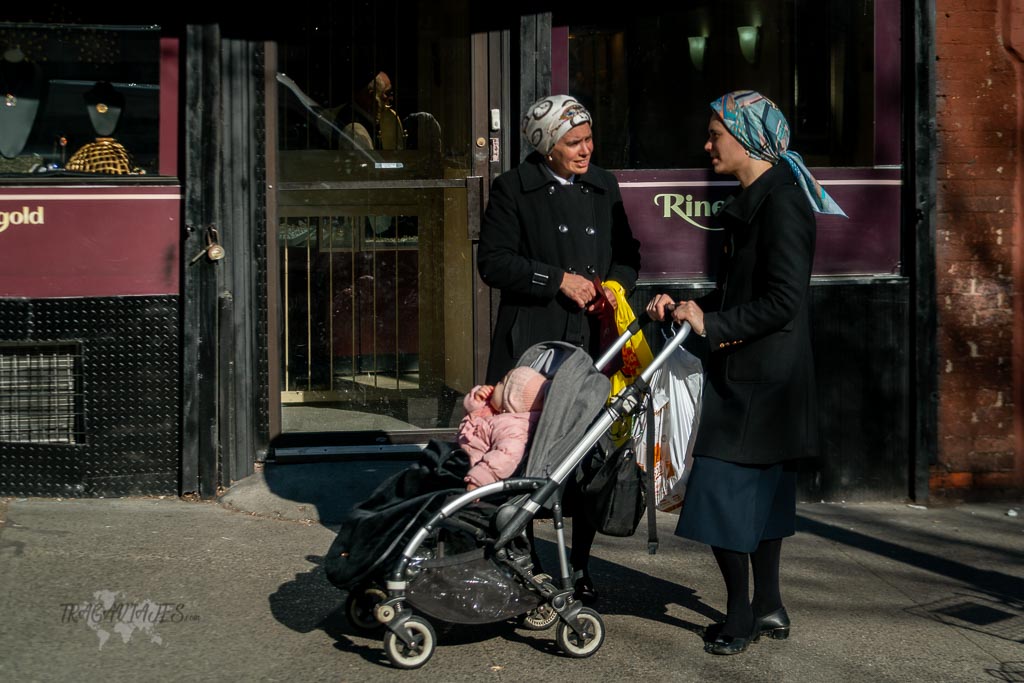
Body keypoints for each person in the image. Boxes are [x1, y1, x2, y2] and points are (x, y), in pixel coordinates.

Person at [645, 90, 846, 655]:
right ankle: (770, 605)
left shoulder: (782, 204)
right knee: (762, 498)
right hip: (757, 372)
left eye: (715, 134)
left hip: (763, 380)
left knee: (719, 490)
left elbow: (784, 300)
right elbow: (742, 292)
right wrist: (688, 307)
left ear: (749, 139)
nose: (706, 144)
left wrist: (711, 324)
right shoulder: (760, 196)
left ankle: (739, 617)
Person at [477, 94, 642, 604]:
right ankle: (522, 562)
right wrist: (557, 280)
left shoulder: (603, 186)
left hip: (593, 342)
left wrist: (615, 287)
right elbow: (495, 263)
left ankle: (582, 563)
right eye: (573, 142)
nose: (585, 149)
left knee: (589, 453)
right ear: (546, 145)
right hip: (533, 345)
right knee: (523, 455)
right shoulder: (512, 190)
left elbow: (629, 256)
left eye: (589, 139)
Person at [457, 366, 551, 491]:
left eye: (501, 382)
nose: (496, 384)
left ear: (510, 398)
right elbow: (474, 414)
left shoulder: (513, 427)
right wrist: (478, 398)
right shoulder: (499, 413)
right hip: (462, 457)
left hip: (476, 472)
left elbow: (506, 456)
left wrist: (479, 480)